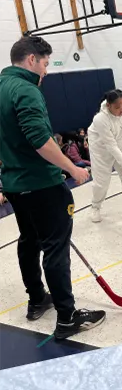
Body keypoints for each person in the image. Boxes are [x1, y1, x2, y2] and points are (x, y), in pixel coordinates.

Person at [0, 36, 104, 339]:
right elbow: (40, 140)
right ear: (32, 59)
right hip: (42, 184)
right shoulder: (26, 90)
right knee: (55, 246)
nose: (46, 71)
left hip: (16, 185)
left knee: (29, 239)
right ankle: (68, 317)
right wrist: (72, 168)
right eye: (45, 63)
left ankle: (36, 299)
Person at [86, 89, 122, 223]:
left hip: (121, 143)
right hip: (101, 147)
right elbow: (110, 145)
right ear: (108, 106)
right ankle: (95, 207)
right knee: (102, 182)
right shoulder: (100, 119)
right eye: (117, 107)